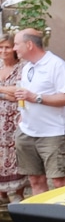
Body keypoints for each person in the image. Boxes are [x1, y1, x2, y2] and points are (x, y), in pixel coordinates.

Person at [10, 29, 65, 222]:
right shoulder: (28, 67)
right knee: (36, 181)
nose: (13, 48)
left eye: (17, 44)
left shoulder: (56, 65)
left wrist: (35, 97)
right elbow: (24, 95)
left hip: (53, 134)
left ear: (29, 45)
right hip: (28, 132)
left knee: (59, 182)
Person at [0, 33, 27, 203]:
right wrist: (5, 90)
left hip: (16, 117)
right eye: (1, 47)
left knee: (17, 152)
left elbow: (18, 91)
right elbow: (10, 92)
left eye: (8, 47)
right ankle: (2, 194)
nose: (4, 50)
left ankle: (18, 192)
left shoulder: (22, 67)